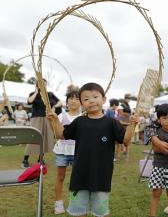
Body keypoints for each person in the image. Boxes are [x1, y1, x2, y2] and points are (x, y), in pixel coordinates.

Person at [47, 82, 139, 217]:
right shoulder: (79, 122)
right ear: (82, 103)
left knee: (100, 212)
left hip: (102, 176)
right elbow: (62, 135)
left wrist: (132, 125)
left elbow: (125, 141)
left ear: (103, 99)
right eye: (86, 99)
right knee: (77, 212)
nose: (91, 101)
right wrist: (54, 120)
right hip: (79, 176)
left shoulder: (111, 122)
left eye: (95, 97)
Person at [21, 79, 62, 168]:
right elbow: (29, 101)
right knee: (33, 138)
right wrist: (36, 92)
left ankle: (40, 159)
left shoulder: (50, 94)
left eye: (45, 84)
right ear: (37, 85)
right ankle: (25, 159)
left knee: (45, 139)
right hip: (37, 118)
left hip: (48, 118)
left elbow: (60, 102)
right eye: (41, 84)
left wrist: (54, 106)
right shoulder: (33, 94)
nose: (43, 86)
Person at [53, 87, 81, 215]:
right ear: (67, 101)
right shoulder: (60, 115)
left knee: (77, 179)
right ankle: (58, 203)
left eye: (77, 98)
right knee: (60, 177)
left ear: (81, 101)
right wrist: (51, 121)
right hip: (62, 151)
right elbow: (55, 133)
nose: (74, 101)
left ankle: (75, 204)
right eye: (71, 98)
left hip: (78, 152)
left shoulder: (84, 117)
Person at [149, 104, 168, 217]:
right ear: (159, 119)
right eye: (164, 118)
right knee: (156, 192)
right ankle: (152, 215)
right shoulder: (156, 132)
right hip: (158, 167)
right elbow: (155, 148)